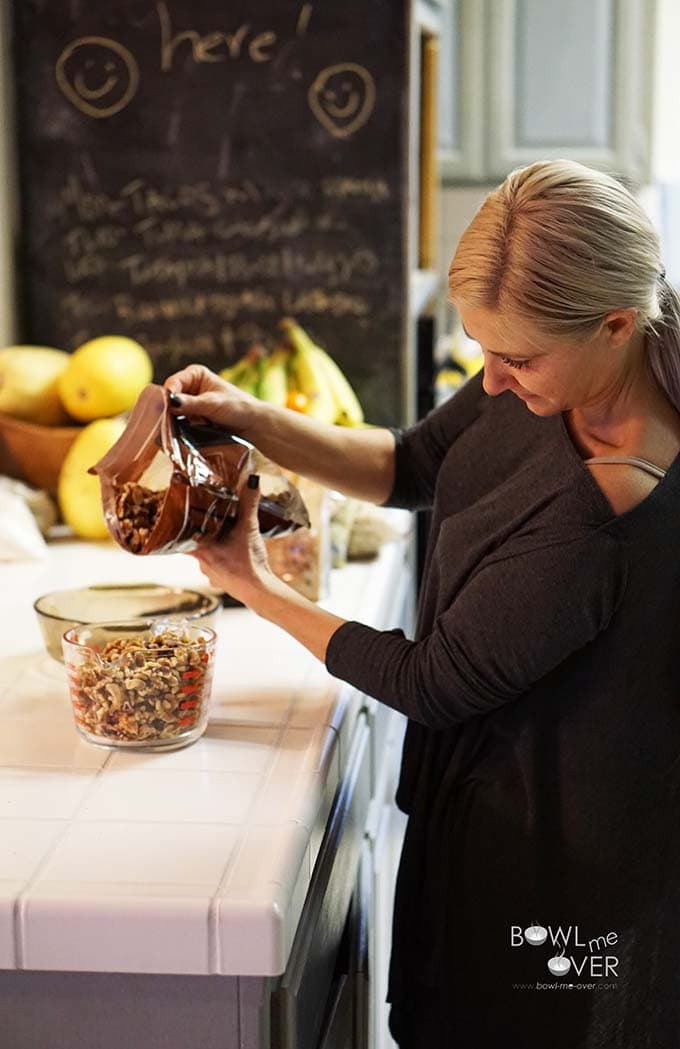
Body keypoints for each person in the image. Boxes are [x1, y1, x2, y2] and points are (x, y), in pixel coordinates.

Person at [165, 159, 680, 1048]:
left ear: (616, 324)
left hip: (560, 875)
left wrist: (254, 583)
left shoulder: (606, 512)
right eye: (481, 348)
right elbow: (412, 464)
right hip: (491, 822)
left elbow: (431, 679)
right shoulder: (566, 373)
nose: (488, 381)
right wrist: (252, 416)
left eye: (513, 358)